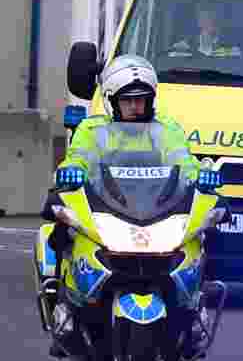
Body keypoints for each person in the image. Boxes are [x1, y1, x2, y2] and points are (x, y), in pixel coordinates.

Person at [43, 54, 201, 265]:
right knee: (65, 229)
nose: (135, 106)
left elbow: (183, 161)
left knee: (196, 239)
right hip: (105, 208)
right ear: (111, 100)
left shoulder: (166, 129)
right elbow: (77, 158)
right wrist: (70, 172)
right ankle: (59, 281)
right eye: (127, 100)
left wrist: (199, 177)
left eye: (141, 100)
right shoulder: (92, 130)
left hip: (158, 209)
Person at [168, 1, 242, 58]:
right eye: (206, 18)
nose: (212, 21)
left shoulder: (231, 49)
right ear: (199, 21)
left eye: (214, 17)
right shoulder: (183, 47)